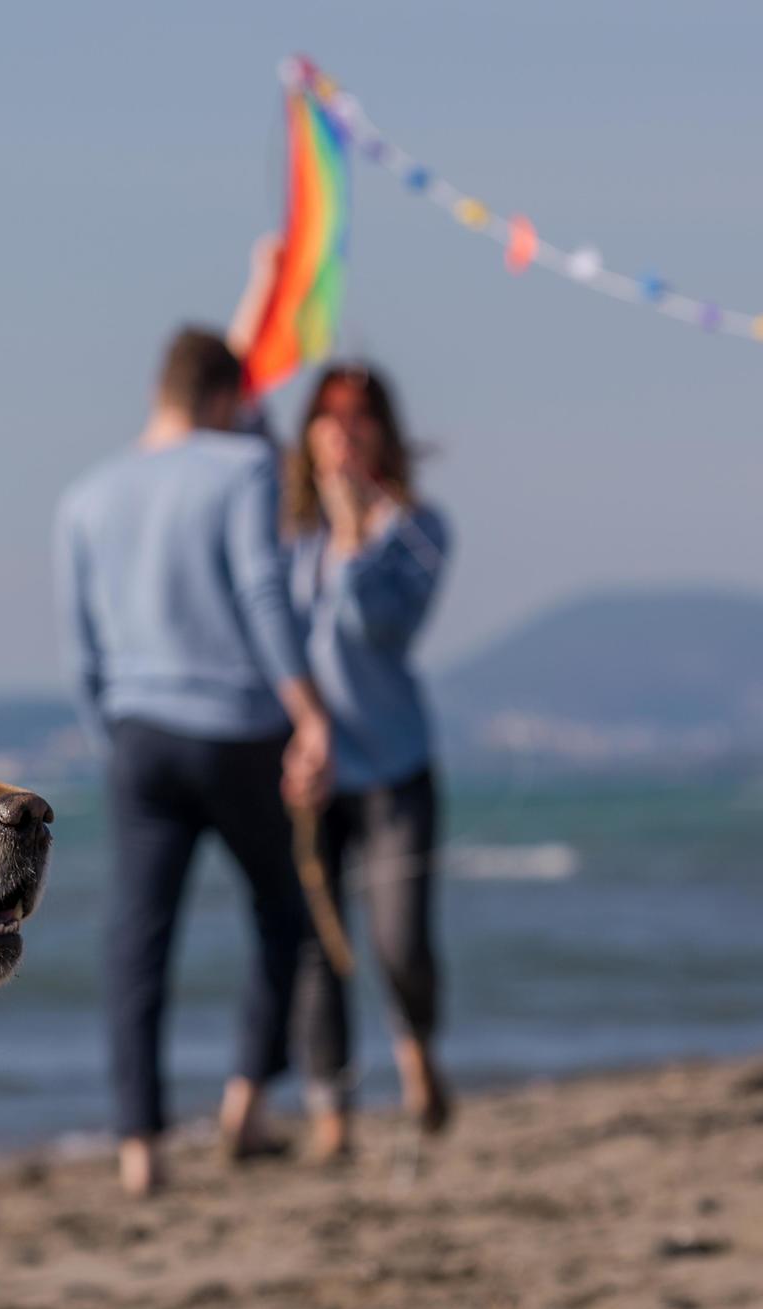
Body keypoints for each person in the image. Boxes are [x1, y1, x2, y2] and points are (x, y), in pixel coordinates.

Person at [55, 327, 333, 1198]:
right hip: (236, 725)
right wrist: (307, 710)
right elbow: (261, 591)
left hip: (138, 733)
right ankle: (245, 1101)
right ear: (226, 402)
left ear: (157, 390)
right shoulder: (239, 470)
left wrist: (113, 734)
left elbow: (80, 647)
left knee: (136, 941)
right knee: (282, 911)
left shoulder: (84, 497)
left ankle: (139, 1145)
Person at [282, 362, 455, 1161]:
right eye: (328, 416)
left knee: (399, 939)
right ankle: (331, 1110)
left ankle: (416, 1047)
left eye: (359, 417)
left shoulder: (417, 530)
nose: (343, 432)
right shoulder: (289, 540)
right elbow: (274, 650)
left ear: (383, 430)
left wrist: (352, 535)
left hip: (394, 767)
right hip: (318, 775)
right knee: (319, 945)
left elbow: (377, 631)